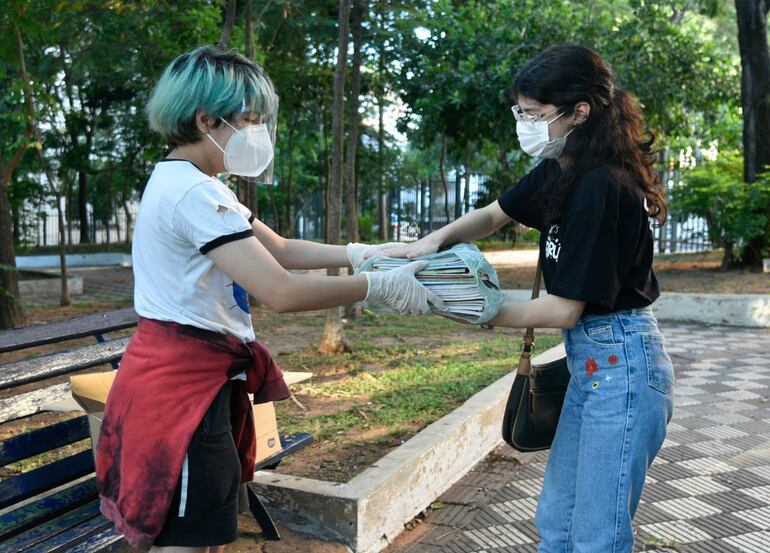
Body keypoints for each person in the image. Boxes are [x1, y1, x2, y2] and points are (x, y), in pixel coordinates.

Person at [95, 46, 438, 553]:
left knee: (206, 532)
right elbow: (280, 289)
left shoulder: (197, 183)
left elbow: (278, 249)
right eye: (251, 121)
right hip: (180, 392)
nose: (258, 134)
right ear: (206, 120)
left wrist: (368, 253)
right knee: (187, 541)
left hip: (194, 382)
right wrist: (379, 285)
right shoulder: (194, 195)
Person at [380, 44, 674, 553]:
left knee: (597, 536)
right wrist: (428, 243)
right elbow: (495, 214)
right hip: (592, 362)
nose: (525, 124)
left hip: (622, 363)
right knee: (556, 521)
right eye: (522, 112)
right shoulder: (563, 165)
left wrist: (472, 309)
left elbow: (564, 308)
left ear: (579, 112)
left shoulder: (600, 186)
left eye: (535, 115)